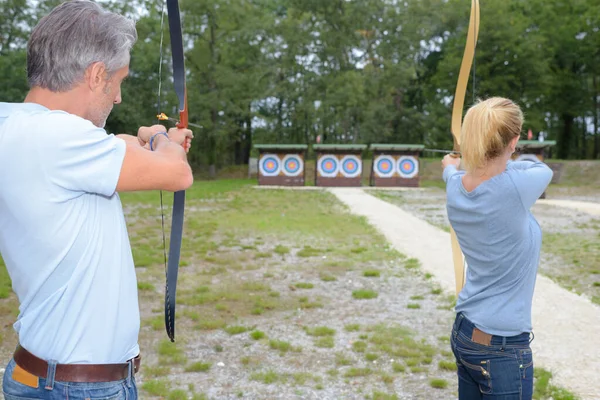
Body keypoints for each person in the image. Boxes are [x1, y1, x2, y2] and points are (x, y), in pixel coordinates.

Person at [0, 1, 193, 398]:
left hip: (38, 373)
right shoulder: (61, 139)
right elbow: (178, 174)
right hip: (79, 387)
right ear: (96, 74)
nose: (118, 97)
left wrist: (145, 139)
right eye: (117, 81)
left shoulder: (15, 125)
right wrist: (161, 139)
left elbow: (112, 144)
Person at [442, 97, 553, 399]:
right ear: (514, 141)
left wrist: (454, 163)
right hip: (501, 348)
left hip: (465, 332)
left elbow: (452, 173)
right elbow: (541, 169)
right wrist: (505, 157)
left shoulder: (454, 187)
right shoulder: (515, 187)